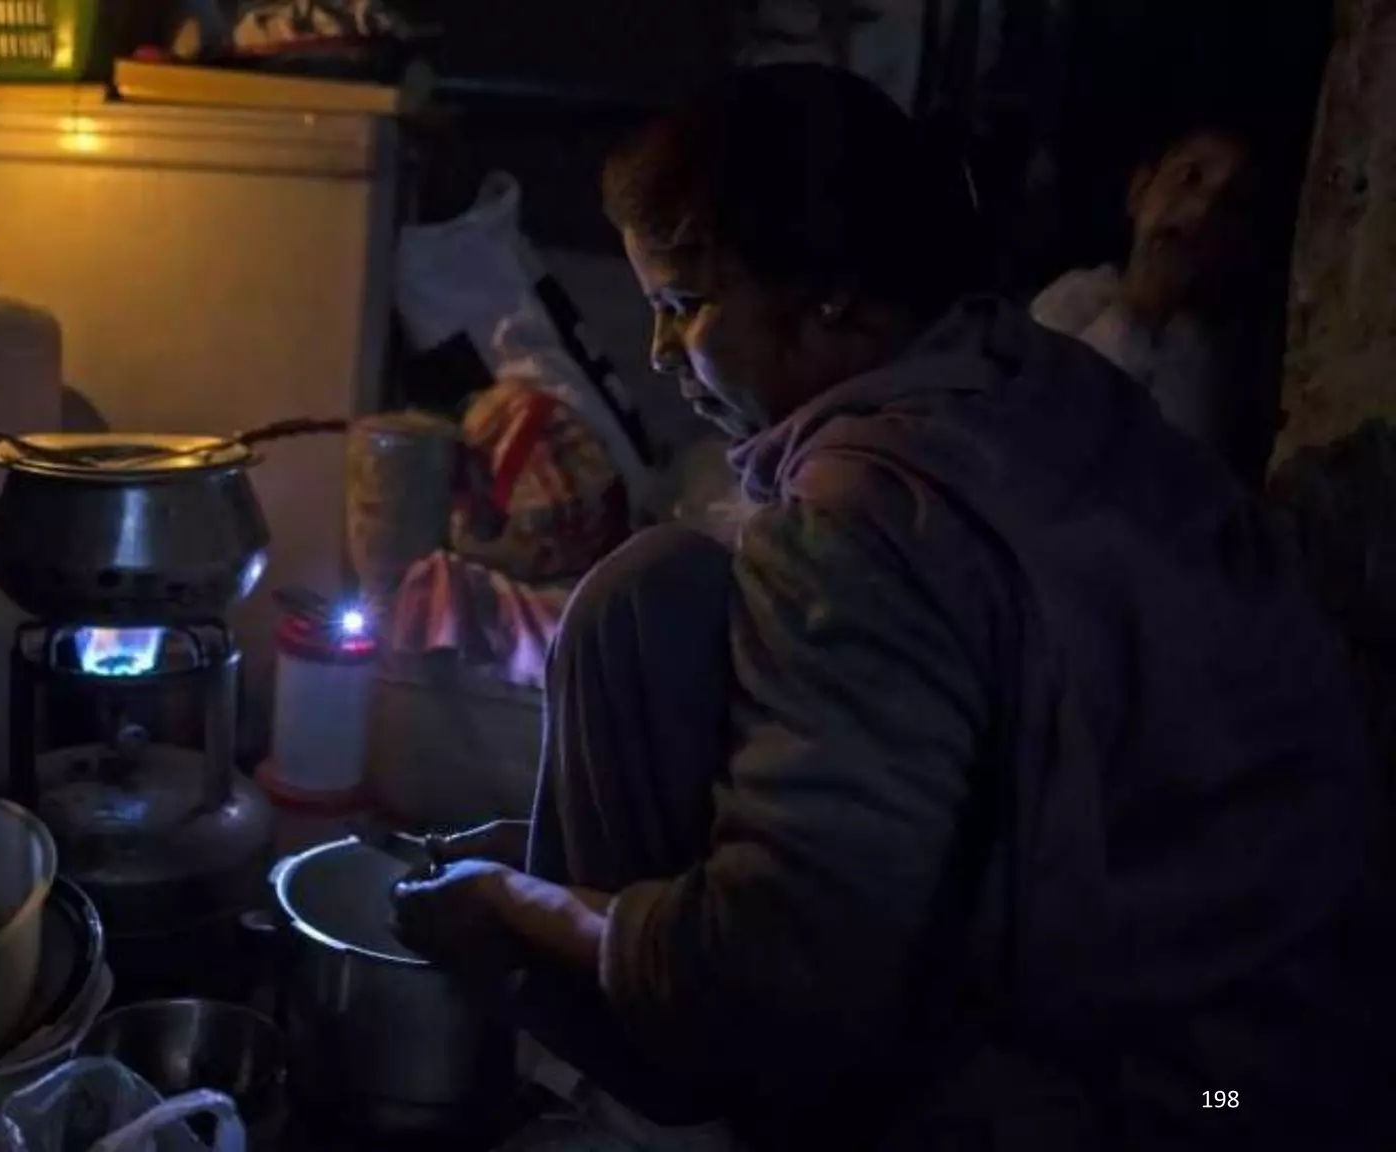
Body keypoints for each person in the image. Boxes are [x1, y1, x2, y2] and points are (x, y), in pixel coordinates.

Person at [388, 63, 1390, 1152]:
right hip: (1314, 1055)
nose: (660, 352)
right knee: (652, 595)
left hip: (1193, 1109)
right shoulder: (1028, 376)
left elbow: (780, 971)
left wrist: (513, 907)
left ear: (828, 296)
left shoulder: (863, 519)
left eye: (684, 306)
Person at [1030, 121, 1278, 486]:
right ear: (1140, 191)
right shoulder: (1068, 304)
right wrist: (1140, 312)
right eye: (1189, 178)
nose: (1203, 209)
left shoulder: (1224, 362)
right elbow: (1039, 442)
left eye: (1232, 203)